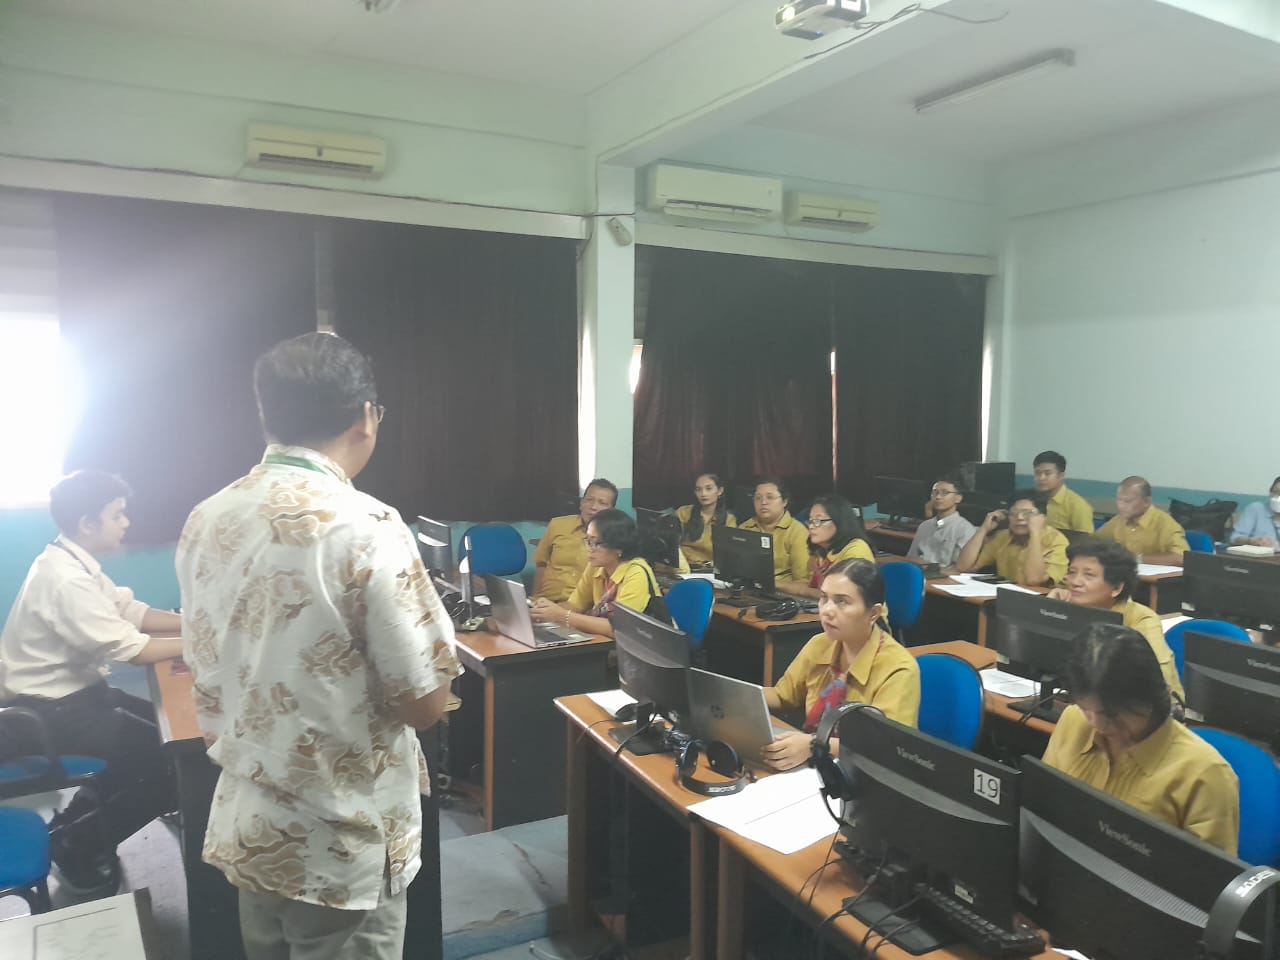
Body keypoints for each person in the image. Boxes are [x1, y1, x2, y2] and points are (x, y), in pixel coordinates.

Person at [176, 333, 461, 960]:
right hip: (342, 837)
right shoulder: (367, 527)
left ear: (266, 414)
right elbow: (424, 703)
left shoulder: (208, 517)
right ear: (365, 417)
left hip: (253, 819)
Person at [0, 470, 182, 893]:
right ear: (87, 523)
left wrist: (193, 623)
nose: (126, 523)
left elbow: (129, 611)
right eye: (116, 515)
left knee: (165, 737)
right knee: (171, 766)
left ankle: (74, 822)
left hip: (79, 699)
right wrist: (203, 639)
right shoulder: (65, 580)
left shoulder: (71, 560)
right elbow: (132, 649)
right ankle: (75, 844)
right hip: (54, 713)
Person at [1042, 623, 1239, 855]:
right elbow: (1043, 807)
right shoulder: (1074, 720)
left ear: (1149, 699)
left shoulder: (1204, 773)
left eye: (1112, 714)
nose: (1097, 724)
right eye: (1086, 709)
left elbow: (1209, 879)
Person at [762, 559, 920, 771]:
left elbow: (886, 746)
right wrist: (738, 695)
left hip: (868, 774)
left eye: (842, 601)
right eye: (824, 598)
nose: (827, 610)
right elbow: (784, 695)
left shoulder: (898, 668)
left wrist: (813, 745)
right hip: (812, 767)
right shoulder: (819, 644)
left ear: (873, 613)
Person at [1046, 538, 1184, 704]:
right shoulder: (1071, 607)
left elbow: (1156, 681)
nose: (1075, 582)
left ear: (1117, 588)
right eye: (1072, 572)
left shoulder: (1142, 619)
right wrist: (1050, 609)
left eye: (1088, 575)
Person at [530, 508, 661, 638]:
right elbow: (575, 605)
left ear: (618, 547)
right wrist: (544, 611)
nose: (589, 549)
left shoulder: (636, 572)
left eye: (595, 543)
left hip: (649, 649)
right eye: (588, 541)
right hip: (610, 643)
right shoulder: (596, 566)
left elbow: (617, 627)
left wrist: (560, 615)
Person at [953, 490, 1069, 586]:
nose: (1019, 517)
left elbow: (1034, 580)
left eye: (1027, 513)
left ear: (1042, 517)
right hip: (1008, 599)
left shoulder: (1056, 541)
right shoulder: (1003, 537)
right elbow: (963, 567)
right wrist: (984, 529)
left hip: (1044, 604)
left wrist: (1035, 532)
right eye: (1013, 513)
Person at [532, 479, 618, 602]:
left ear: (612, 511)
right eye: (589, 500)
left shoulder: (614, 539)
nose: (593, 507)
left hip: (582, 608)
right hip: (545, 601)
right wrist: (535, 598)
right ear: (581, 503)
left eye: (602, 503)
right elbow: (541, 564)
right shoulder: (557, 525)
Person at [776, 494, 873, 599]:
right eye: (811, 520)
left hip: (860, 614)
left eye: (818, 521)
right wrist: (771, 584)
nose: (811, 526)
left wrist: (806, 591)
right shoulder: (821, 550)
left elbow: (836, 597)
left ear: (839, 521)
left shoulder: (856, 551)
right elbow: (809, 587)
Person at [1094, 476, 1189, 566]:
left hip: (1154, 581)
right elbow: (1093, 539)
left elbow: (1181, 558)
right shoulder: (1119, 520)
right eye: (1119, 500)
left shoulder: (1165, 524)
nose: (1121, 506)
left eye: (1128, 501)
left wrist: (1136, 559)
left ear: (1146, 502)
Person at [739, 478, 809, 583]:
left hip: (783, 594)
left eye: (770, 497)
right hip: (747, 590)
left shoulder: (797, 532)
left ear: (784, 501)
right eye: (758, 498)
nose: (763, 502)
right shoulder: (744, 528)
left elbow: (802, 581)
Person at [907, 473, 976, 566]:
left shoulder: (965, 529)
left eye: (945, 493)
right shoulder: (925, 526)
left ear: (958, 498)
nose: (938, 497)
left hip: (944, 577)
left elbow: (958, 568)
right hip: (919, 572)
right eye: (935, 492)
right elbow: (911, 558)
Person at [674, 472, 736, 568]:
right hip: (681, 567)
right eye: (698, 489)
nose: (703, 494)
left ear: (720, 491)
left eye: (708, 489)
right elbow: (672, 543)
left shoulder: (729, 520)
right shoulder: (683, 513)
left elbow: (728, 554)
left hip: (708, 570)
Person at [1032, 450, 1094, 534]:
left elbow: (1086, 541)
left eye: (1047, 473)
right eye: (1037, 473)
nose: (1041, 478)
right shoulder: (1030, 500)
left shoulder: (1078, 505)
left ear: (1061, 476)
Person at [1229, 475, 1280, 547]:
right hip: (1257, 557)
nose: (1278, 497)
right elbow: (1234, 539)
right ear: (1270, 492)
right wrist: (1251, 541)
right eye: (1275, 492)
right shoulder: (1256, 509)